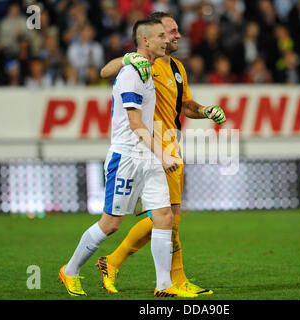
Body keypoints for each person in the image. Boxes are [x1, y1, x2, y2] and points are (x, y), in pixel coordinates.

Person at [58, 16, 196, 298]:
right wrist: (163, 154)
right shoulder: (132, 72)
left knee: (164, 216)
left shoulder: (151, 69)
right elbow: (135, 125)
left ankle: (164, 286)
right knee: (110, 224)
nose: (167, 40)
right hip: (128, 157)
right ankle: (70, 270)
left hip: (149, 153)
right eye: (161, 36)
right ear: (146, 40)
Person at [98, 11, 226, 296]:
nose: (178, 35)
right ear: (156, 35)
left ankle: (113, 262)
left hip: (172, 144)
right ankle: (172, 280)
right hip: (151, 147)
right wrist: (128, 58)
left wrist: (204, 111)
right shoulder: (144, 63)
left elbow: (186, 104)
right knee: (167, 218)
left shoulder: (177, 67)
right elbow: (105, 72)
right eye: (172, 31)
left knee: (171, 217)